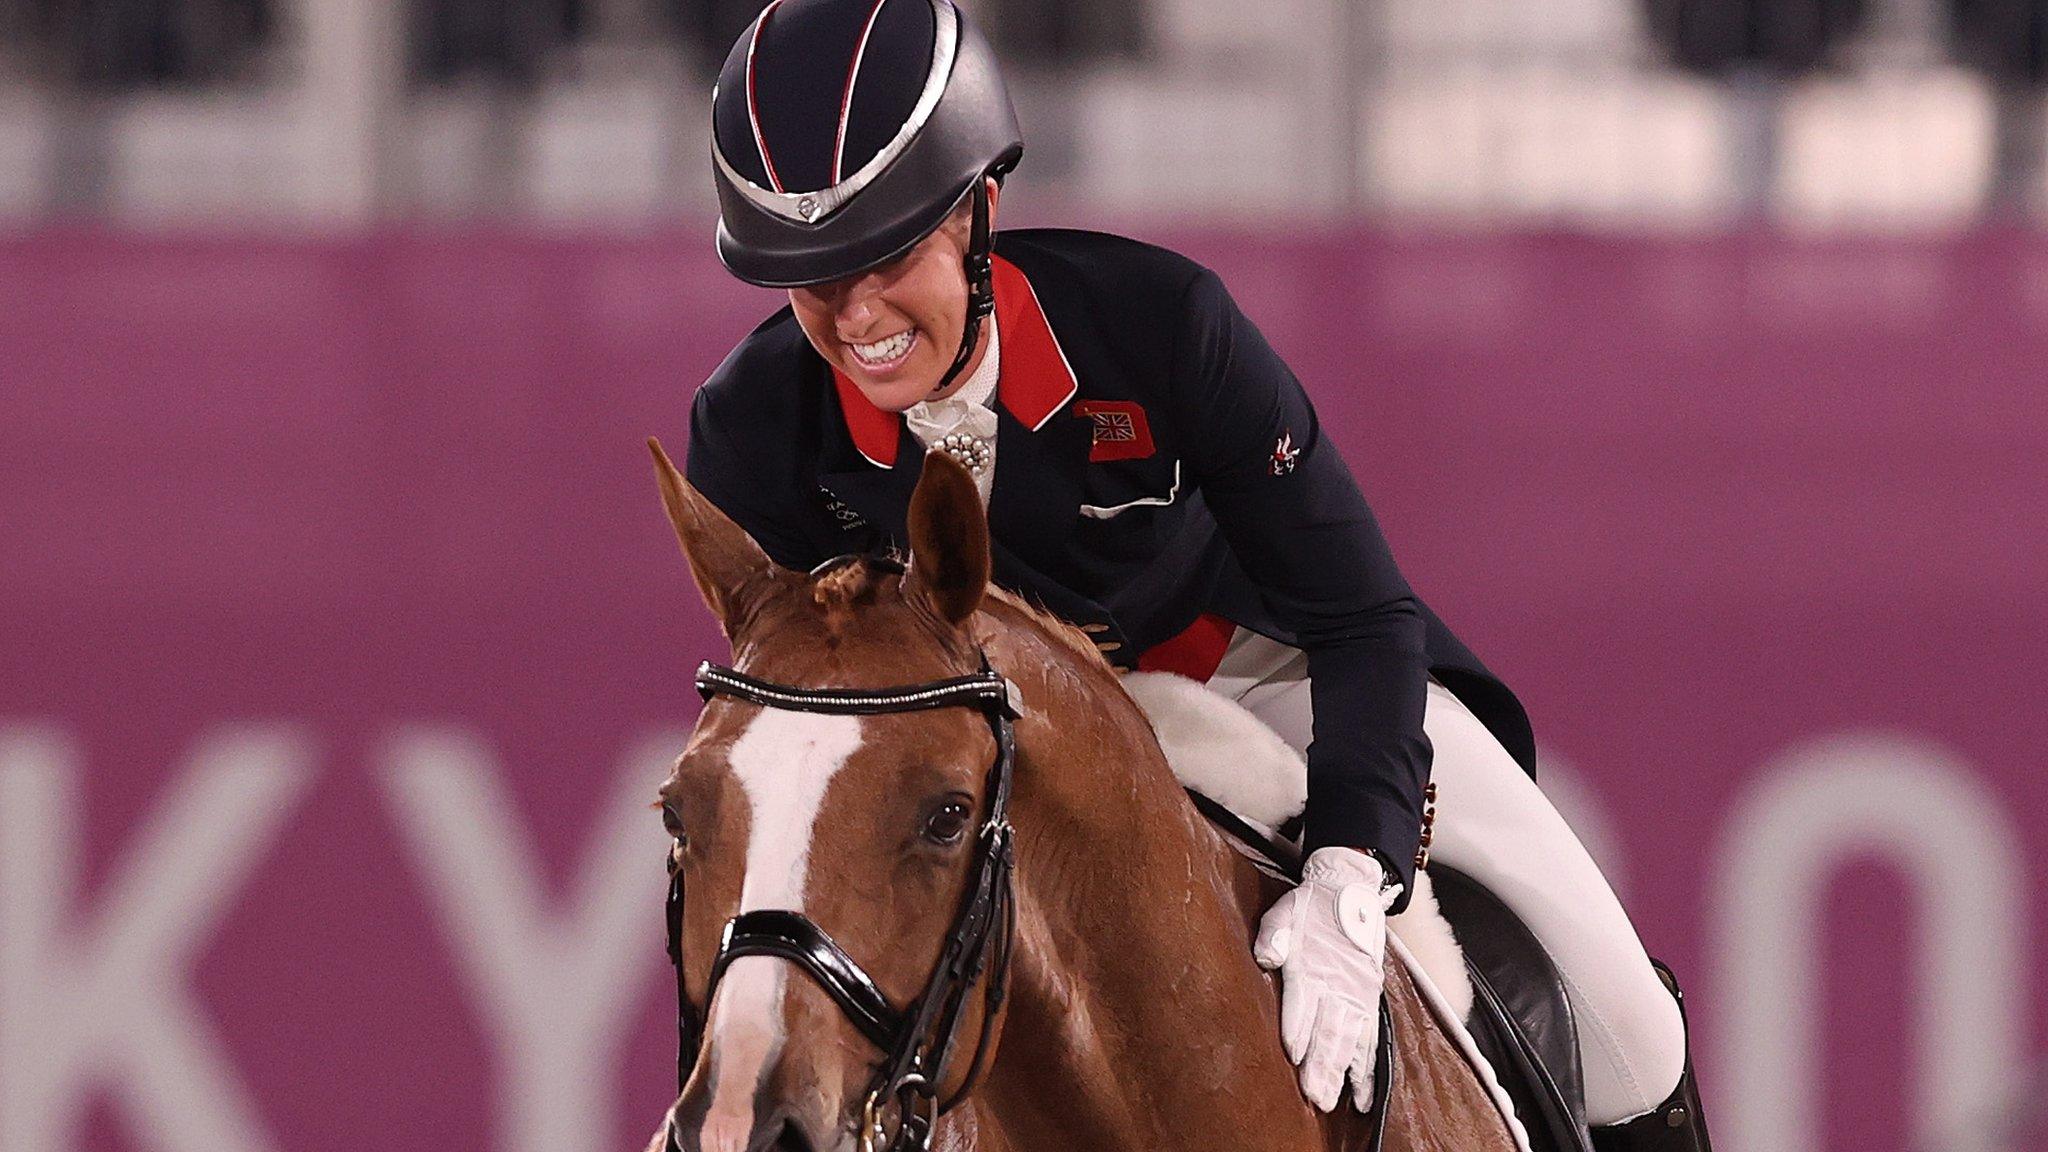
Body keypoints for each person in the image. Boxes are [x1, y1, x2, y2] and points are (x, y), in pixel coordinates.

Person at [682, 2, 1710, 1148]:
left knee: (1627, 1021)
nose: (856, 314)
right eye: (812, 278)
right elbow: (798, 746)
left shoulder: (1160, 326)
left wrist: (1349, 866)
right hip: (986, 756)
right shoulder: (750, 432)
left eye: (887, 257)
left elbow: (1362, 614)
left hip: (1261, 677)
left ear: (979, 210)